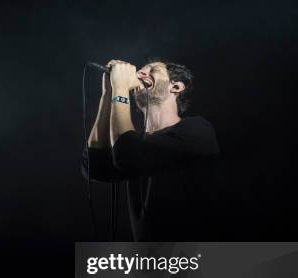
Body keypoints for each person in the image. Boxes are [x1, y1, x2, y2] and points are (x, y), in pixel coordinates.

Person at [82, 59, 220, 241]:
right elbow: (94, 166)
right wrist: (109, 92)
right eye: (140, 71)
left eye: (151, 70)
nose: (140, 74)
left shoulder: (197, 130)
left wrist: (121, 88)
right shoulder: (134, 143)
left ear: (176, 87)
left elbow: (127, 154)